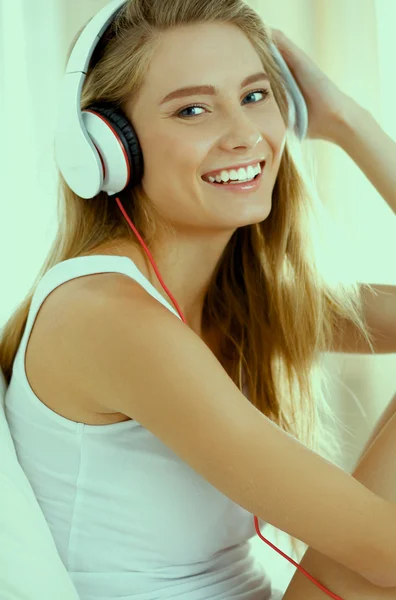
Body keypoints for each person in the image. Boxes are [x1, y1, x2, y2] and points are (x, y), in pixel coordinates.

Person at [1, 0, 396, 599]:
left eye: (256, 96)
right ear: (108, 148)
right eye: (193, 109)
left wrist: (346, 121)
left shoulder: (235, 298)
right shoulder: (106, 315)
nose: (244, 135)